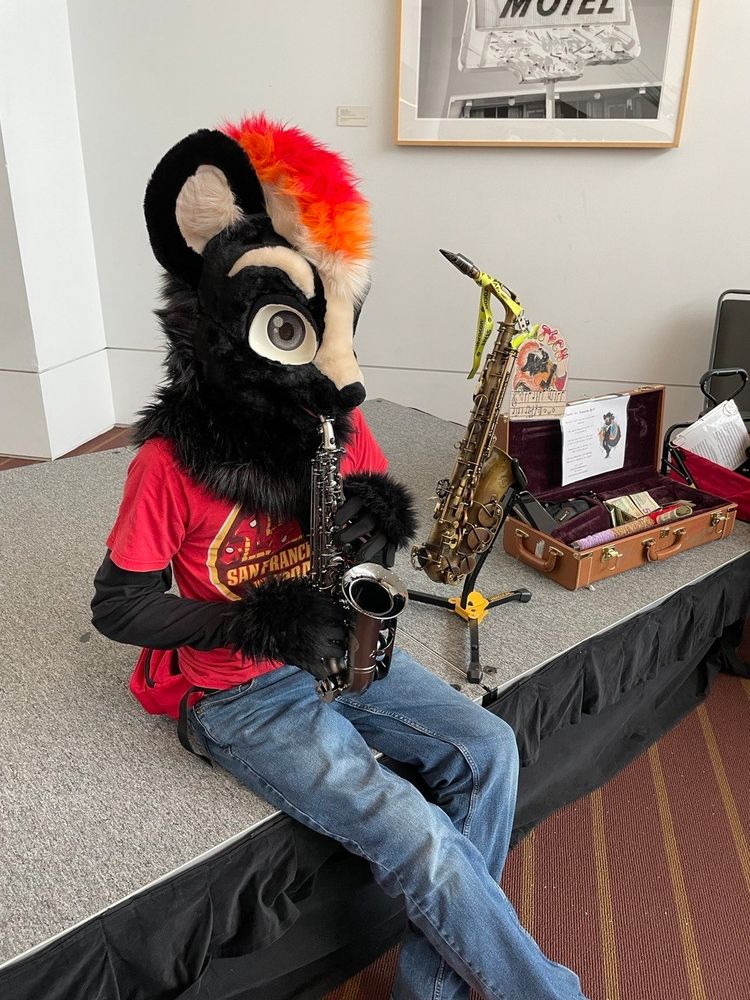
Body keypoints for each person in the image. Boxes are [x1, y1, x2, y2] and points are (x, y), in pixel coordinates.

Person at [92, 115, 588, 1000]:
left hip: (347, 655)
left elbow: (376, 540)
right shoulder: (167, 465)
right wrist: (262, 620)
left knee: (491, 750)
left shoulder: (337, 425)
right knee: (419, 834)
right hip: (237, 691)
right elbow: (119, 607)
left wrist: (378, 525)